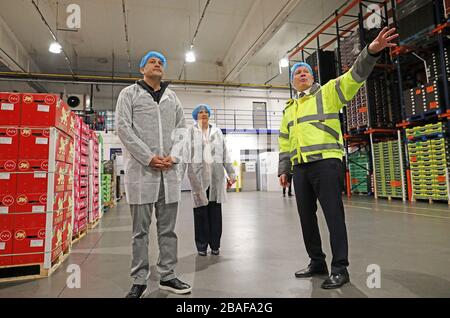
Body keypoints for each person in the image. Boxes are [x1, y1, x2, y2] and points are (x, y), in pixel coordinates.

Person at [278, 27, 399, 289]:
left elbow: (355, 75)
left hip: (326, 164)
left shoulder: (329, 93)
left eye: (306, 72)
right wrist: (283, 169)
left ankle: (340, 268)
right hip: (300, 169)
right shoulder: (288, 109)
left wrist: (371, 52)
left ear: (312, 77)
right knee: (306, 219)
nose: (301, 75)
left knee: (333, 216)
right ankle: (317, 262)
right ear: (292, 81)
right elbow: (284, 142)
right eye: (297, 73)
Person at [116, 51, 191, 298]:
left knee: (168, 230)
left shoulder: (172, 98)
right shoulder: (129, 94)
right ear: (142, 69)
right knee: (140, 231)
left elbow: (182, 131)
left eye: (161, 63)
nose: (157, 64)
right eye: (152, 61)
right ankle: (139, 280)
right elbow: (123, 129)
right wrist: (148, 157)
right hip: (142, 173)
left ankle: (168, 276)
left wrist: (175, 156)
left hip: (169, 174)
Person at [185, 104, 236, 256]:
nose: (203, 114)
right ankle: (201, 246)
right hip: (198, 177)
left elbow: (225, 153)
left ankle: (215, 245)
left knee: (215, 213)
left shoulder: (217, 131)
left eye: (206, 112)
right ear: (195, 115)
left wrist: (231, 173)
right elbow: (184, 153)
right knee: (200, 212)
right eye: (200, 112)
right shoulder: (190, 132)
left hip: (216, 177)